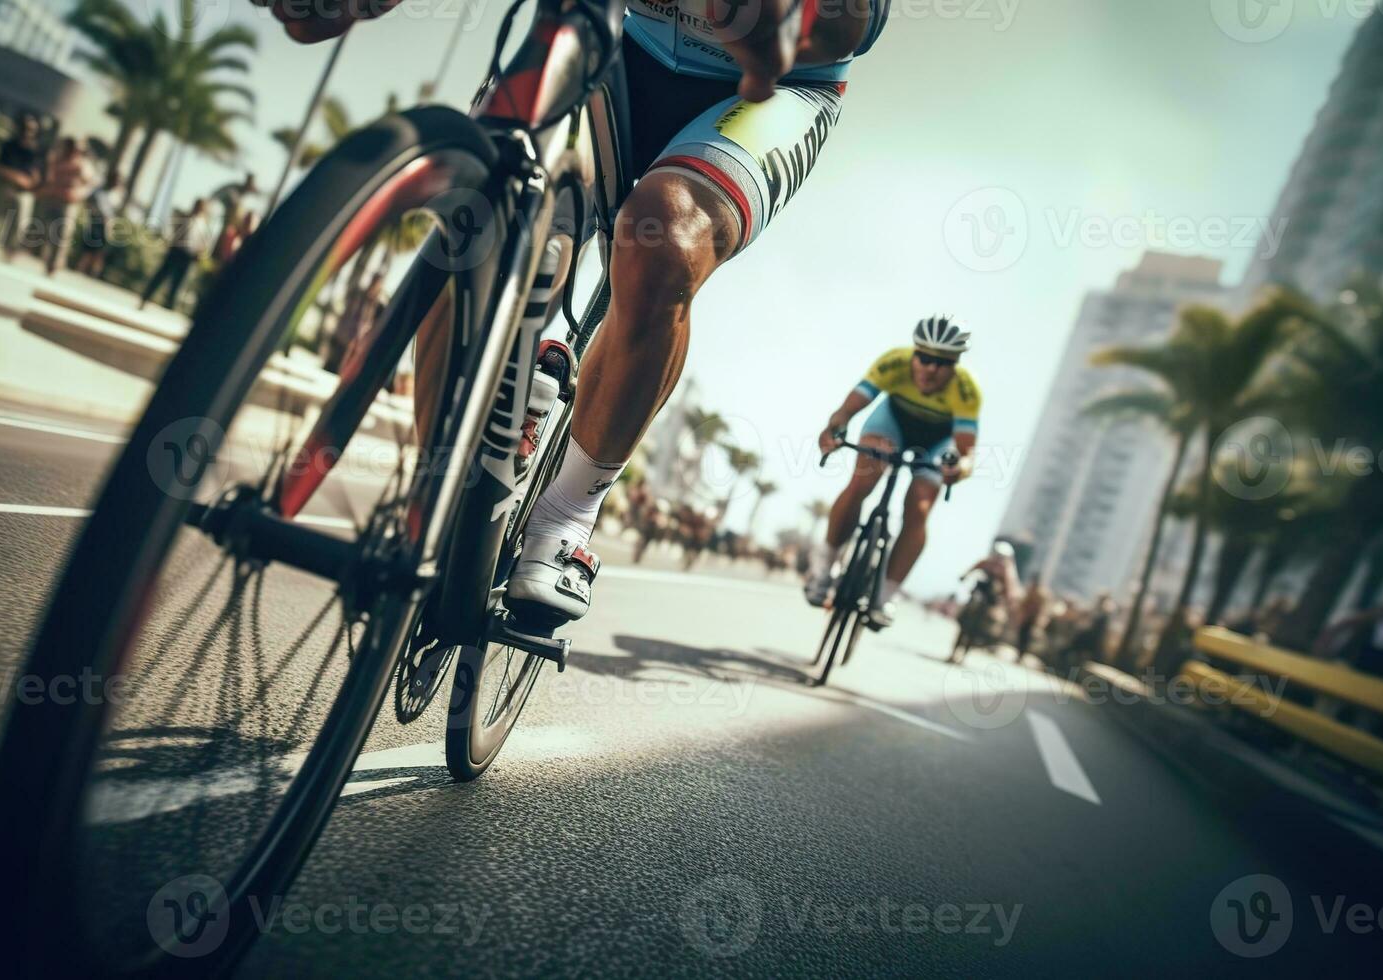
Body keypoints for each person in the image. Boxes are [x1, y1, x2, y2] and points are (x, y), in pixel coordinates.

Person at [265, 0, 890, 631]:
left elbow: (848, 24)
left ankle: (566, 517)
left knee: (664, 240)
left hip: (772, 91)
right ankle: (438, 495)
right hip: (618, 35)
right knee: (488, 203)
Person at [801, 319, 979, 628]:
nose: (930, 368)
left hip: (937, 440)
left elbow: (966, 453)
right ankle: (824, 567)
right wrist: (835, 429)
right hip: (892, 422)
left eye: (942, 362)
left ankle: (886, 594)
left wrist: (958, 469)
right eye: (923, 357)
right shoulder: (893, 362)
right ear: (913, 354)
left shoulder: (966, 390)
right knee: (863, 479)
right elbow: (846, 411)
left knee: (920, 508)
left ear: (955, 366)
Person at [0, 112, 43, 257]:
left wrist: (16, 178)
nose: (27, 132)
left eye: (31, 130)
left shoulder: (36, 152)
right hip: (3, 186)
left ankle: (9, 255)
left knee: (18, 227)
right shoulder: (8, 145)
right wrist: (15, 177)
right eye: (25, 128)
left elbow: (33, 179)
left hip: (21, 192)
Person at [28, 137, 97, 275]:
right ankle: (33, 254)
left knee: (62, 235)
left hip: (68, 202)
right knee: (40, 229)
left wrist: (78, 194)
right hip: (52, 198)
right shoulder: (56, 159)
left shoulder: (83, 164)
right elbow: (47, 176)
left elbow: (91, 184)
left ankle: (53, 265)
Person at [141, 198, 213, 310]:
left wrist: (200, 253)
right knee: (161, 275)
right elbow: (173, 228)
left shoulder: (203, 224)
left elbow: (203, 242)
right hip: (176, 250)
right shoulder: (184, 217)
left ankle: (169, 306)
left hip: (188, 256)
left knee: (178, 283)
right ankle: (145, 298)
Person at [74, 173, 123, 278]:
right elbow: (88, 203)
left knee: (100, 253)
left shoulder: (115, 196)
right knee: (88, 251)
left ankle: (92, 275)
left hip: (107, 226)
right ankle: (79, 273)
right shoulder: (98, 191)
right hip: (95, 223)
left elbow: (112, 213)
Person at [1016, 573, 1047, 659]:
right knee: (1022, 636)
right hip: (1027, 617)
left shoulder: (1040, 593)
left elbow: (1042, 608)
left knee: (1027, 637)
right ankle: (1020, 653)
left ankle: (1022, 654)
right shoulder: (1030, 591)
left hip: (1033, 619)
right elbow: (1024, 603)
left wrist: (1039, 621)